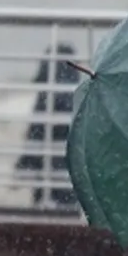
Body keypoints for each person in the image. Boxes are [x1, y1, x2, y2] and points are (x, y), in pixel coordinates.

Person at [14, 43, 81, 208]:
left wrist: (22, 168)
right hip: (76, 187)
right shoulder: (79, 98)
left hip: (50, 187)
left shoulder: (46, 99)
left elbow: (36, 138)